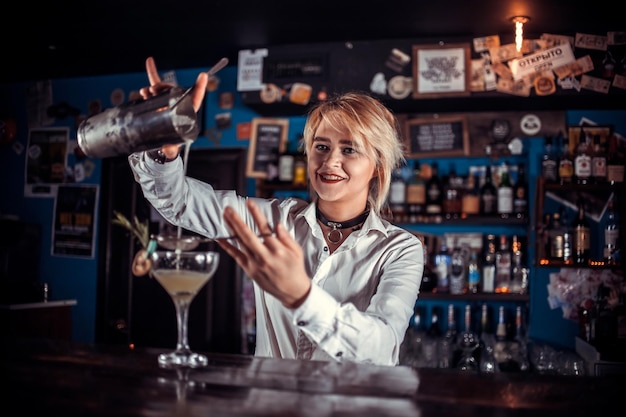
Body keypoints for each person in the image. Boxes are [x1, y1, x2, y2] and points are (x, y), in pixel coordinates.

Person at [129, 57, 424, 366]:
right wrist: (165, 147)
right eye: (321, 147)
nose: (329, 161)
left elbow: (382, 345)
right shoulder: (271, 221)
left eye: (349, 149)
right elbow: (179, 202)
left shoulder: (400, 249)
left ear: (377, 166)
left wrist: (302, 296)